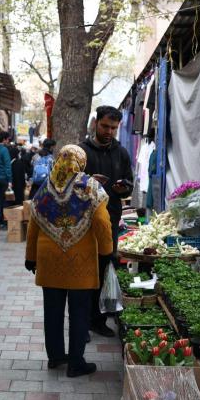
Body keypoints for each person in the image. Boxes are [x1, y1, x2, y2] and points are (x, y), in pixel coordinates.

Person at [25, 145, 111, 378]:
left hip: (49, 261)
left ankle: (55, 357)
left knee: (52, 312)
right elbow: (102, 222)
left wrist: (30, 257)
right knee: (79, 313)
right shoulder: (91, 187)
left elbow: (33, 225)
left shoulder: (45, 188)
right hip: (80, 263)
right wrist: (107, 251)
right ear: (81, 162)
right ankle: (76, 362)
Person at [80, 106, 134, 338]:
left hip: (110, 220)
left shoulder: (121, 153)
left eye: (113, 127)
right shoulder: (81, 151)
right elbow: (70, 185)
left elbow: (128, 185)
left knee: (104, 267)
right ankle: (80, 320)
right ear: (95, 123)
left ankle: (98, 320)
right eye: (105, 126)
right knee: (83, 269)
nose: (109, 131)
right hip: (82, 221)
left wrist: (123, 188)